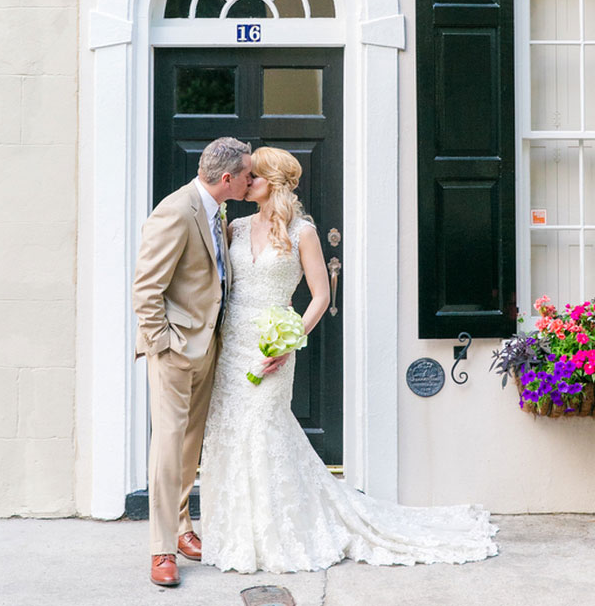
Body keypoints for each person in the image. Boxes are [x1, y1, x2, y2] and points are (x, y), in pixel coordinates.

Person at [197, 146, 498, 573]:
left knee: (264, 429)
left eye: (254, 176)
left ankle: (274, 534)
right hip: (234, 345)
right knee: (230, 432)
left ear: (272, 183)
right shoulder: (236, 227)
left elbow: (320, 296)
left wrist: (289, 341)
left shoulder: (302, 232)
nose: (246, 182)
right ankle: (236, 534)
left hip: (275, 343)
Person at [132, 136, 253, 587]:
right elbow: (146, 288)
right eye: (247, 176)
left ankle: (183, 528)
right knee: (167, 446)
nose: (250, 182)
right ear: (228, 178)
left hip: (210, 347)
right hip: (175, 351)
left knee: (189, 446)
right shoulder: (176, 211)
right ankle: (161, 550)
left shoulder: (218, 210)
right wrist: (163, 345)